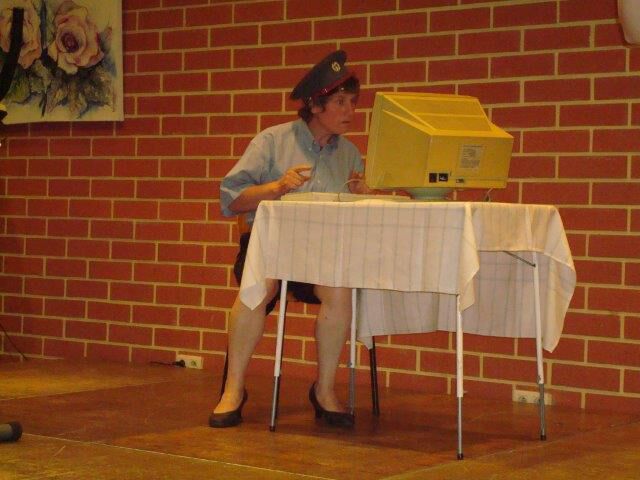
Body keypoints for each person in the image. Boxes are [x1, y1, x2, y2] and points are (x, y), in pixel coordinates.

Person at [210, 50, 370, 429]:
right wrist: (277, 186)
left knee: (340, 289)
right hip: (268, 247)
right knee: (259, 287)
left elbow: (359, 217)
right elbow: (231, 200)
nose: (350, 111)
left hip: (322, 253)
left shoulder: (349, 153)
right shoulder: (272, 141)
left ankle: (324, 390)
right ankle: (233, 389)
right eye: (340, 102)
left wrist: (365, 195)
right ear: (315, 105)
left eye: (353, 102)